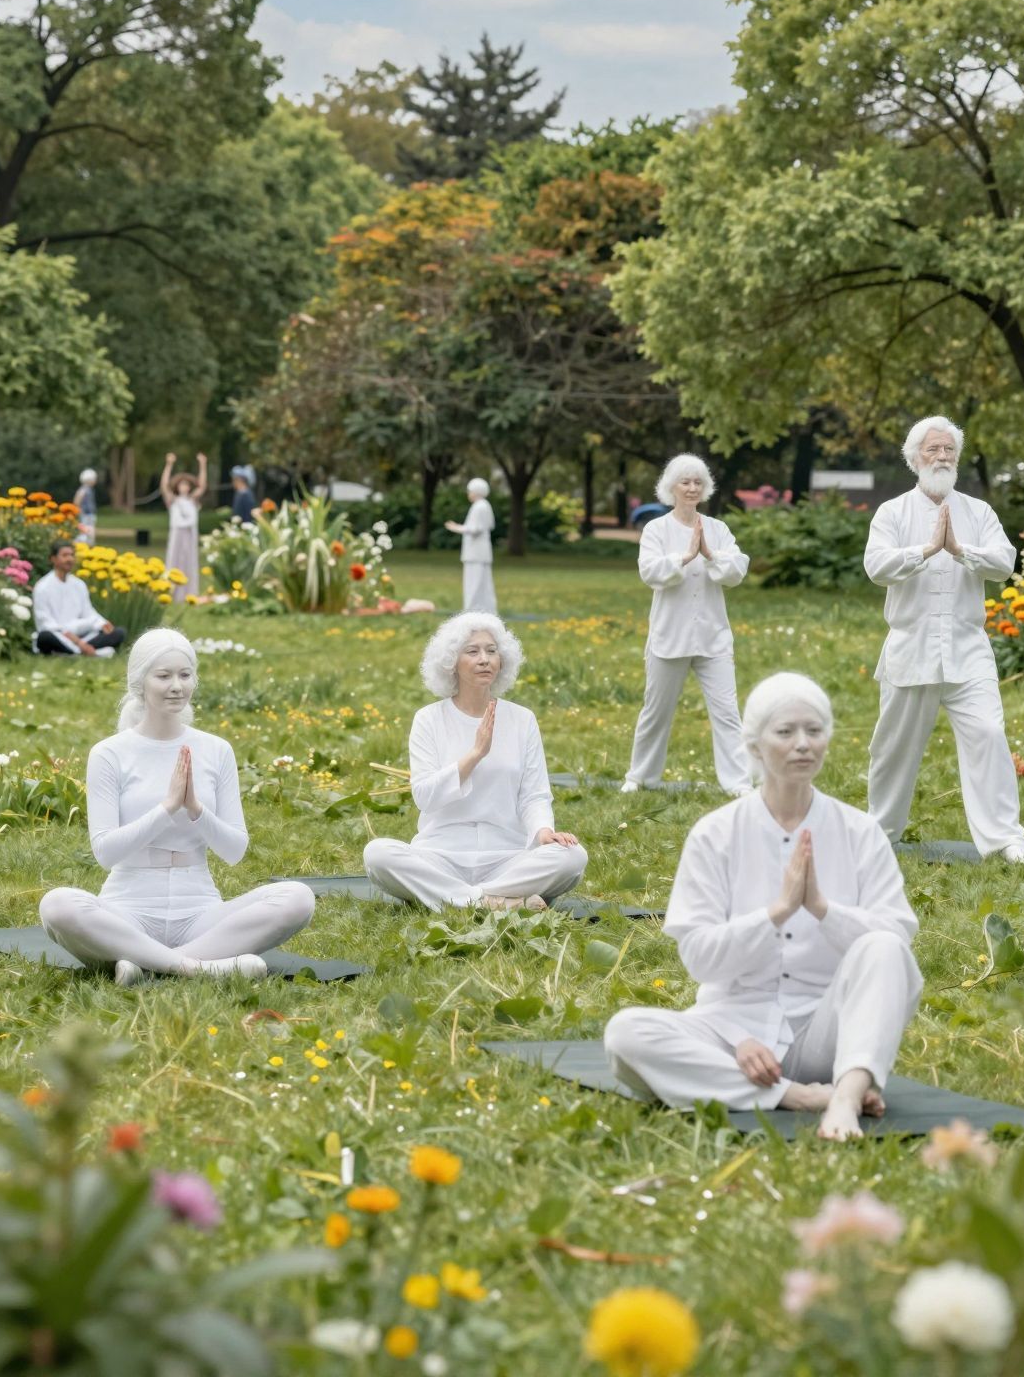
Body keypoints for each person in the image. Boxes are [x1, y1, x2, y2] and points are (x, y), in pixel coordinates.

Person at [605, 673, 923, 1139]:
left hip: (828, 1031)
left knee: (884, 948)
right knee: (625, 1035)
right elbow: (700, 958)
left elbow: (895, 943)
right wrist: (776, 912)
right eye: (786, 732)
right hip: (734, 1028)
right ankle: (798, 1096)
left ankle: (848, 1096)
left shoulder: (860, 832)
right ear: (755, 746)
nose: (802, 745)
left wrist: (820, 908)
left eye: (814, 732)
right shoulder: (715, 833)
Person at [38, 629, 316, 984]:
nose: (176, 686)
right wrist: (166, 809)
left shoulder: (216, 749)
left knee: (297, 898)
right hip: (126, 912)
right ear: (140, 682)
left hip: (199, 913)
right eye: (163, 676)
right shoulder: (109, 753)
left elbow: (235, 849)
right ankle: (198, 969)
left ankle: (145, 964)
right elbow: (105, 852)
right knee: (57, 905)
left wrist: (196, 810)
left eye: (185, 675)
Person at [864, 416, 1024, 863]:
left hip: (967, 648)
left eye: (948, 450)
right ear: (914, 457)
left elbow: (1004, 563)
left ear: (957, 457)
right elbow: (876, 567)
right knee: (893, 746)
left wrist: (959, 550)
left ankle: (1005, 841)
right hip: (910, 647)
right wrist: (925, 550)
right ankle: (882, 833)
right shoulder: (892, 512)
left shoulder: (979, 512)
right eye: (932, 449)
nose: (941, 456)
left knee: (989, 734)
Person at [363, 612, 588, 910]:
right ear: (451, 664)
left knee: (573, 857)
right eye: (473, 651)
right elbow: (424, 796)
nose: (484, 659)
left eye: (491, 651)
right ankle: (494, 902)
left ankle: (462, 899)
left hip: (506, 856)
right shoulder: (428, 719)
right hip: (441, 854)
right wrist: (475, 755)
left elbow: (534, 794)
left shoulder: (522, 720)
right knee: (378, 855)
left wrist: (543, 831)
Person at [622, 453, 752, 795]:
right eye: (685, 482)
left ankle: (737, 783)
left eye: (698, 482)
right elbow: (650, 572)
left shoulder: (718, 529)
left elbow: (737, 571)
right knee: (656, 711)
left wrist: (709, 554)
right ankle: (640, 776)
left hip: (713, 637)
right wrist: (684, 556)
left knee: (727, 712)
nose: (692, 488)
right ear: (671, 488)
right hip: (669, 637)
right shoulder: (656, 529)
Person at [32, 540, 127, 658]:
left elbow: (88, 612)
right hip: (59, 635)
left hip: (83, 635)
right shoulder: (42, 587)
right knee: (45, 637)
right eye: (65, 555)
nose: (70, 559)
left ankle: (73, 652)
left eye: (72, 555)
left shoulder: (79, 584)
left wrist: (101, 623)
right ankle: (85, 651)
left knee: (119, 633)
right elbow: (45, 622)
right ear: (53, 559)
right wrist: (76, 641)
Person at [160, 451, 208, 603]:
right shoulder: (173, 500)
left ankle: (189, 592)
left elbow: (202, 486)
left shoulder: (192, 500)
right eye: (182, 484)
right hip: (177, 533)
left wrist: (202, 464)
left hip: (189, 533)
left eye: (186, 485)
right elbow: (164, 486)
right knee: (175, 559)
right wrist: (169, 465)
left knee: (189, 560)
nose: (184, 487)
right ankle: (172, 591)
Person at [445, 478, 497, 613]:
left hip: (476, 552)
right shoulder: (484, 505)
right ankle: (485, 610)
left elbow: (475, 529)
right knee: (482, 583)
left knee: (474, 583)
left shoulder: (480, 506)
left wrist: (457, 528)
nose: (468, 493)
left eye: (470, 491)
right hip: (479, 552)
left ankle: (472, 610)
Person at [74, 468, 98, 545]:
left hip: (88, 514)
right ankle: (83, 543)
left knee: (88, 529)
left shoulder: (88, 489)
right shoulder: (85, 489)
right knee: (86, 530)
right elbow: (77, 500)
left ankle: (88, 543)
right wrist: (78, 509)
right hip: (86, 514)